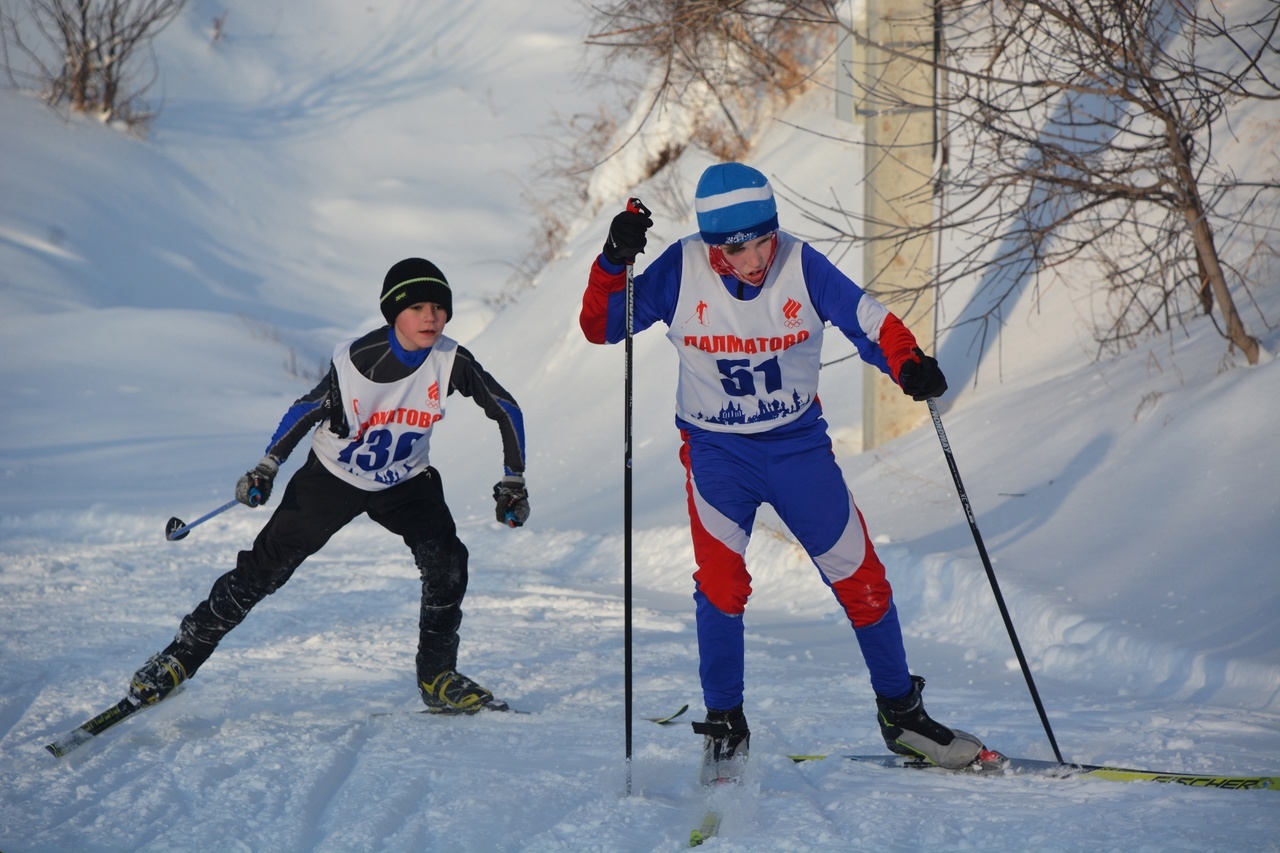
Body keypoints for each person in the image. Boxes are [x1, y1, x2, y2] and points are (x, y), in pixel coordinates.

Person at [579, 163, 992, 780]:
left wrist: (907, 363)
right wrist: (614, 261)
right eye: (735, 246)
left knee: (863, 578)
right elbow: (602, 327)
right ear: (714, 244)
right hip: (717, 452)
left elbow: (869, 321)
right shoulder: (682, 267)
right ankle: (724, 724)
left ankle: (902, 716)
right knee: (721, 586)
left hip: (796, 447)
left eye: (762, 239)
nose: (753, 258)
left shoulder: (800, 263)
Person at [129, 258, 530, 715]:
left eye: (439, 307)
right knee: (264, 569)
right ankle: (179, 658)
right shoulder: (359, 361)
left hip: (406, 479)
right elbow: (305, 410)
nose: (430, 316)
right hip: (334, 477)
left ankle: (437, 676)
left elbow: (505, 408)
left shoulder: (451, 360)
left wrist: (512, 479)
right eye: (416, 306)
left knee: (448, 565)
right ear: (392, 312)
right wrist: (267, 466)